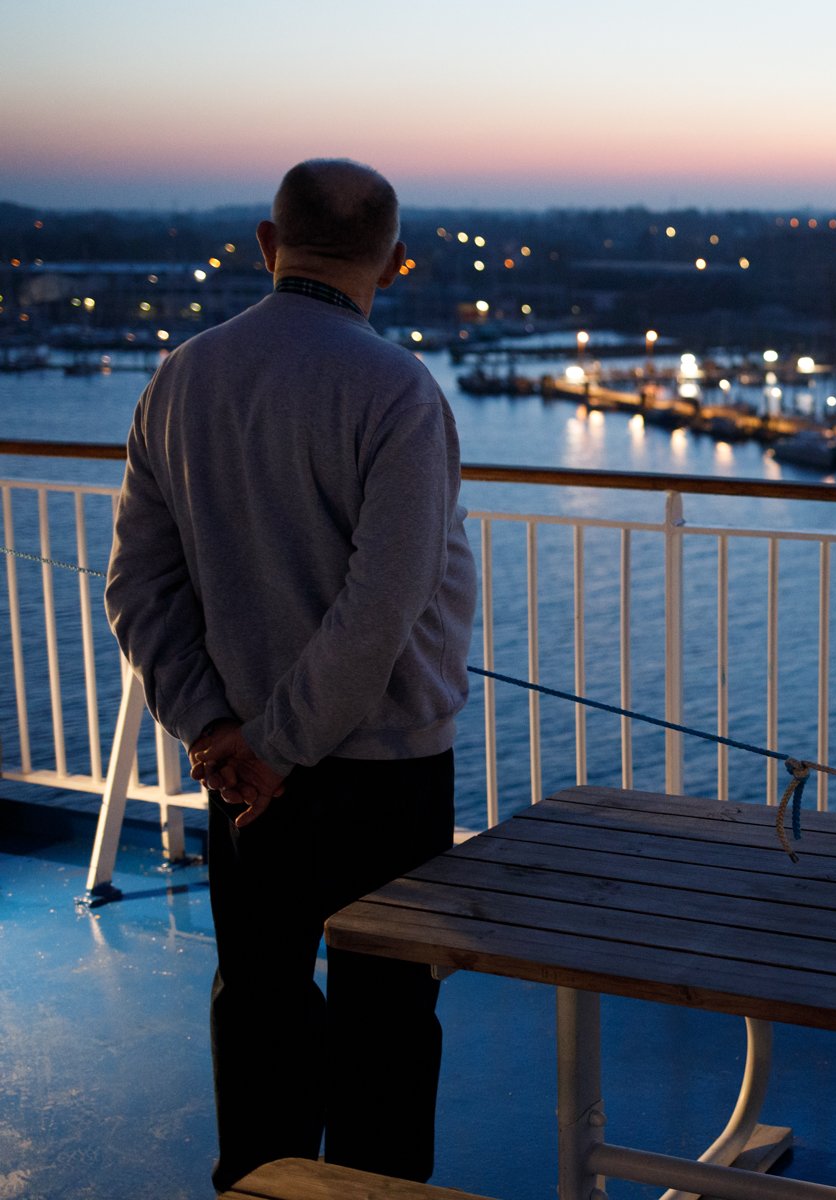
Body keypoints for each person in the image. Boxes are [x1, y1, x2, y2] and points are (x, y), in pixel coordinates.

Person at [104, 158, 477, 1190]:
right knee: (387, 1021)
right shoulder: (397, 392)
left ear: (268, 246)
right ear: (393, 263)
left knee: (260, 999)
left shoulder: (181, 378)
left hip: (241, 777)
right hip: (385, 772)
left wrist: (219, 734)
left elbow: (138, 586)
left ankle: (261, 1189)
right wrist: (272, 748)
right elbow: (383, 612)